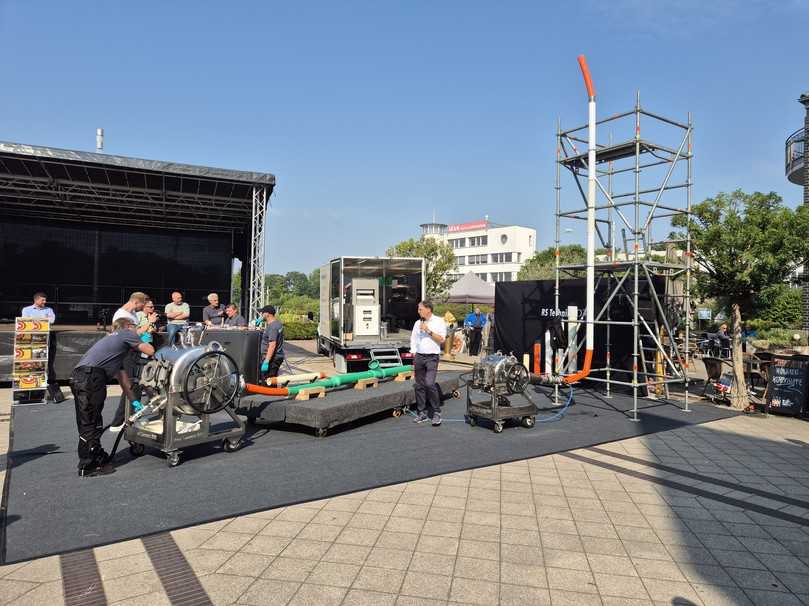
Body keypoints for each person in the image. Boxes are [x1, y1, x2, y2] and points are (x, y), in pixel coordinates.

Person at [69, 318, 154, 477]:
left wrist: (135, 402)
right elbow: (150, 351)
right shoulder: (125, 333)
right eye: (135, 326)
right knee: (90, 423)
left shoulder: (114, 346)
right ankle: (88, 465)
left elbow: (124, 381)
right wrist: (143, 337)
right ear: (129, 326)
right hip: (91, 377)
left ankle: (95, 456)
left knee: (88, 421)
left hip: (80, 377)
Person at [20, 292, 63, 402]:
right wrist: (43, 320)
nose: (45, 302)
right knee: (34, 362)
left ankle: (48, 386)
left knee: (47, 362)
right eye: (42, 300)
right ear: (36, 300)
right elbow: (26, 321)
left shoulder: (49, 309)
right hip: (31, 339)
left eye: (45, 300)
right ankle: (33, 389)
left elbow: (52, 320)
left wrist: (35, 320)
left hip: (47, 338)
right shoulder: (26, 309)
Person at [410, 300, 447, 426]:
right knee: (419, 385)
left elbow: (442, 340)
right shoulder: (417, 323)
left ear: (428, 309)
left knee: (430, 383)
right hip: (419, 356)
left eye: (420, 309)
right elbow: (414, 339)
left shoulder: (439, 321)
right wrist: (414, 353)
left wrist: (428, 331)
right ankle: (422, 413)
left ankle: (437, 412)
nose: (418, 311)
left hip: (432, 357)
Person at [259, 306, 285, 379]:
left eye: (262, 313)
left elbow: (272, 345)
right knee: (272, 381)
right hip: (275, 358)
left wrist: (266, 361)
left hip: (272, 359)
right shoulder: (277, 324)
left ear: (267, 314)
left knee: (268, 382)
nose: (261, 315)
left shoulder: (273, 327)